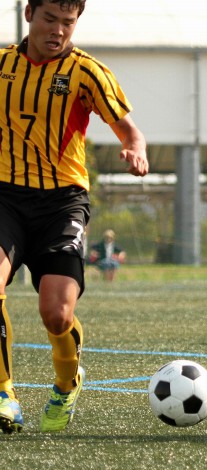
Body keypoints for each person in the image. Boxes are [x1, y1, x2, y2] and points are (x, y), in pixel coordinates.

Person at [0, 0, 149, 434]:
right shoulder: (3, 65)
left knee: (57, 314)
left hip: (62, 202)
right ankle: (4, 391)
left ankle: (67, 383)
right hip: (5, 198)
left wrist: (135, 149)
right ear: (29, 14)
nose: (59, 30)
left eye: (69, 22)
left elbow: (129, 130)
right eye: (50, 19)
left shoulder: (87, 72)